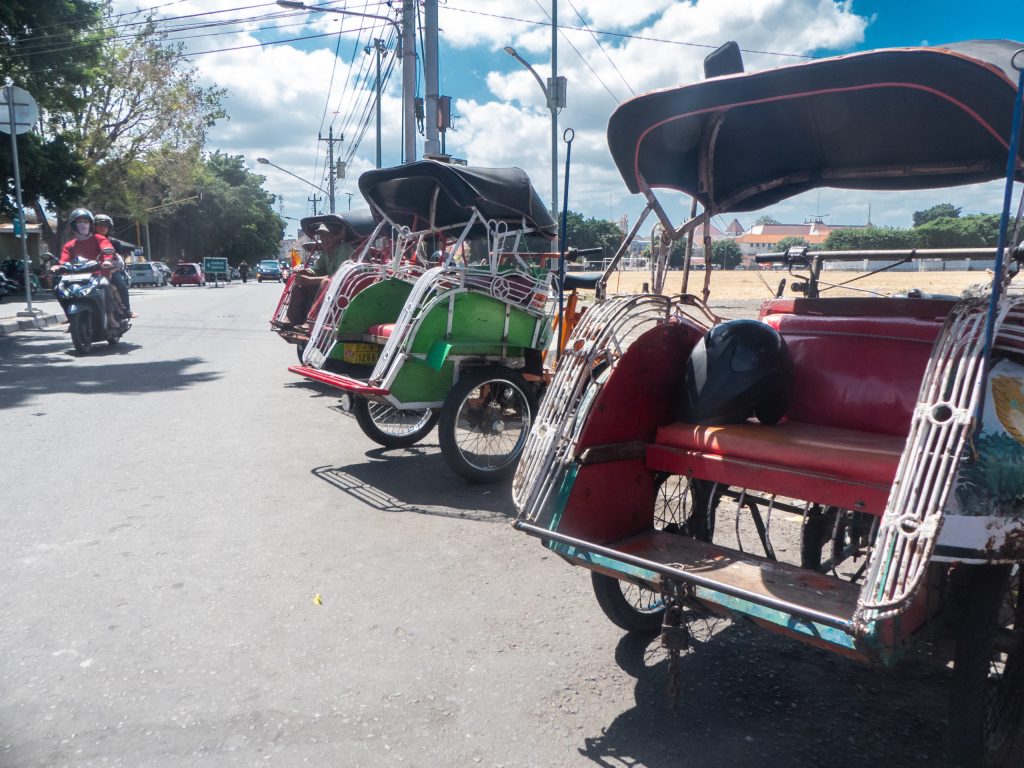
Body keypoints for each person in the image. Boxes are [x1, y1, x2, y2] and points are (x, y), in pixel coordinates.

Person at [56, 208, 121, 328]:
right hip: (76, 277)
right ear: (74, 225)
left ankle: (110, 318)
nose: (82, 225)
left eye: (85, 222)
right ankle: (71, 318)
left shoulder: (99, 238)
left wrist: (107, 260)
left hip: (98, 275)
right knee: (58, 289)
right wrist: (57, 267)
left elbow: (107, 249)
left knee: (105, 285)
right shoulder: (69, 245)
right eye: (79, 222)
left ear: (90, 224)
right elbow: (63, 260)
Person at [284, 223, 358, 326]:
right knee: (300, 284)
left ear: (337, 237)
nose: (325, 239)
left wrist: (310, 280)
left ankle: (311, 322)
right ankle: (292, 320)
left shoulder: (344, 249)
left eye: (329, 235)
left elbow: (337, 277)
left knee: (325, 282)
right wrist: (305, 273)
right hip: (331, 290)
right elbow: (317, 270)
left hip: (345, 291)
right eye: (322, 236)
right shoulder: (326, 253)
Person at [93, 214, 135, 317]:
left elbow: (120, 261)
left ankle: (127, 310)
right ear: (93, 227)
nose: (102, 227)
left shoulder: (114, 243)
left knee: (121, 285)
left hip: (111, 271)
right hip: (91, 271)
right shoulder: (88, 241)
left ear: (109, 228)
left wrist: (112, 270)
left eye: (105, 225)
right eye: (99, 225)